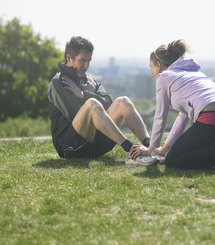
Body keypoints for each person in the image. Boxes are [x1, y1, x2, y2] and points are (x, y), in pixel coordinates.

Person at [130, 39, 215, 173]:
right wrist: (164, 149)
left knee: (173, 160)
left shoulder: (164, 77)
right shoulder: (194, 73)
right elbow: (182, 118)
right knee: (179, 152)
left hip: (213, 119)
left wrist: (151, 149)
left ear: (157, 64)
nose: (151, 72)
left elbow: (160, 116)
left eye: (151, 66)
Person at [48, 36, 156, 165]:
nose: (86, 66)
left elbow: (108, 104)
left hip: (95, 144)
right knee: (92, 104)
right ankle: (130, 150)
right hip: (70, 147)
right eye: (82, 61)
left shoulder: (88, 79)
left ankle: (150, 148)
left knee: (123, 102)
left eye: (89, 61)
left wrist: (83, 94)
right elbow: (75, 115)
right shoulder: (58, 83)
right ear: (68, 58)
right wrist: (87, 96)